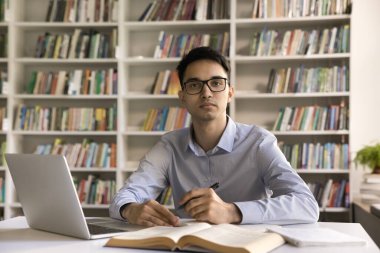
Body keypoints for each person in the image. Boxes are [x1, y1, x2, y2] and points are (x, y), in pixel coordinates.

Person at [109, 47, 319, 227]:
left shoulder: (259, 142)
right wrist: (130, 210)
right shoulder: (169, 146)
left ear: (230, 92)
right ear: (182, 97)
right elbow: (125, 196)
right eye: (194, 85)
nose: (206, 93)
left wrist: (232, 211)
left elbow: (306, 205)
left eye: (216, 83)